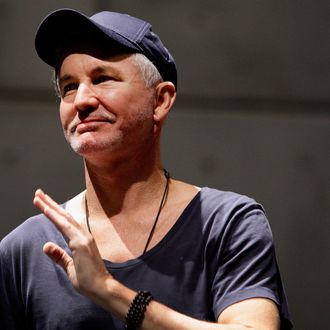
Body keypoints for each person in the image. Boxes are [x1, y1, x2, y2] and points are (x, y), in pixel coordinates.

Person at [0, 8, 292, 330]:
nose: (81, 100)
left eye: (102, 79)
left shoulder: (226, 224)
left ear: (161, 100)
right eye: (69, 86)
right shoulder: (26, 249)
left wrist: (109, 291)